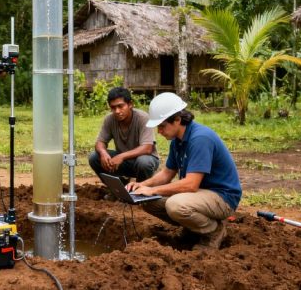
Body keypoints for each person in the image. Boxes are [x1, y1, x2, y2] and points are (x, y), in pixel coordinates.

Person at [127, 92, 242, 250]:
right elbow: (167, 173)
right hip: (200, 195)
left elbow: (191, 184)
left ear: (177, 120)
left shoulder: (200, 138)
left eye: (161, 126)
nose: (159, 131)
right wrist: (141, 186)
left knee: (176, 205)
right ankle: (192, 229)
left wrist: (152, 190)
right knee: (146, 200)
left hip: (222, 197)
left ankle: (213, 231)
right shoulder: (177, 141)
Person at [89, 87, 158, 190]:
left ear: (130, 104)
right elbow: (100, 142)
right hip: (123, 162)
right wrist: (103, 153)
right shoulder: (109, 119)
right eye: (113, 107)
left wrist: (121, 156)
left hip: (145, 160)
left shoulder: (143, 118)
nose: (117, 111)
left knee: (144, 162)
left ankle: (141, 191)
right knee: (94, 157)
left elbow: (147, 148)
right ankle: (119, 189)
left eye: (120, 106)